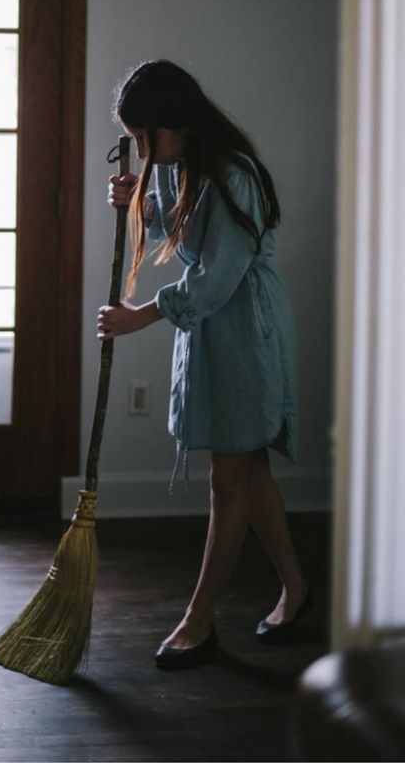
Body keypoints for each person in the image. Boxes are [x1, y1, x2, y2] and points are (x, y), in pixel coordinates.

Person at [97, 59, 312, 670]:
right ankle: (296, 589)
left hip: (246, 327)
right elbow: (178, 231)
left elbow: (217, 272)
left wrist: (141, 315)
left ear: (179, 122)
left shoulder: (235, 174)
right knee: (250, 471)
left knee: (228, 479)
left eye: (146, 135)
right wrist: (136, 198)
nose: (141, 147)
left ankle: (199, 622)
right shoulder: (173, 168)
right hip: (212, 326)